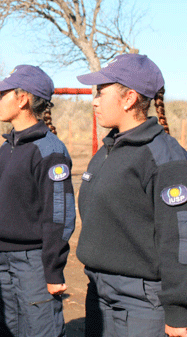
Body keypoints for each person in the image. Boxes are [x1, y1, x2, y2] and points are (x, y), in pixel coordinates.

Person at [76, 54, 187, 337]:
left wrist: (178, 310)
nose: (95, 100)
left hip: (141, 302)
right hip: (98, 290)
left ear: (129, 99)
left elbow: (178, 239)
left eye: (102, 91)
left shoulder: (165, 157)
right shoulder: (107, 151)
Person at [0, 65, 74, 337]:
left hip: (33, 263)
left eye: (2, 94)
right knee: (6, 330)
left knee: (39, 329)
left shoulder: (49, 151)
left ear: (22, 99)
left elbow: (58, 215)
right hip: (1, 259)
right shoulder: (6, 147)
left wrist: (53, 269)